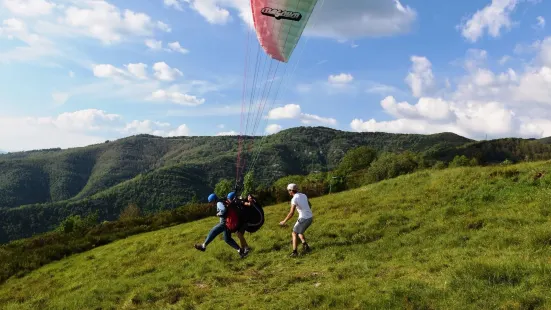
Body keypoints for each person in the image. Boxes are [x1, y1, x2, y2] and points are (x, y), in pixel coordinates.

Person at [194, 193, 248, 258]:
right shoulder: (221, 201)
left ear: (213, 200)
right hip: (228, 223)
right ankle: (240, 251)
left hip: (224, 223)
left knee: (213, 231)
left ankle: (203, 246)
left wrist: (218, 214)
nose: (211, 204)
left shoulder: (218, 203)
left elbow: (223, 210)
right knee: (227, 239)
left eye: (211, 202)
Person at [279, 183, 313, 257]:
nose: (288, 192)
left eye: (288, 190)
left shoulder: (294, 199)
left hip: (304, 218)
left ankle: (294, 252)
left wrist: (284, 221)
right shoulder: (304, 195)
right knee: (300, 231)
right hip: (310, 217)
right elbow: (310, 205)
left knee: (294, 233)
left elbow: (291, 213)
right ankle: (305, 245)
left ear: (291, 191)